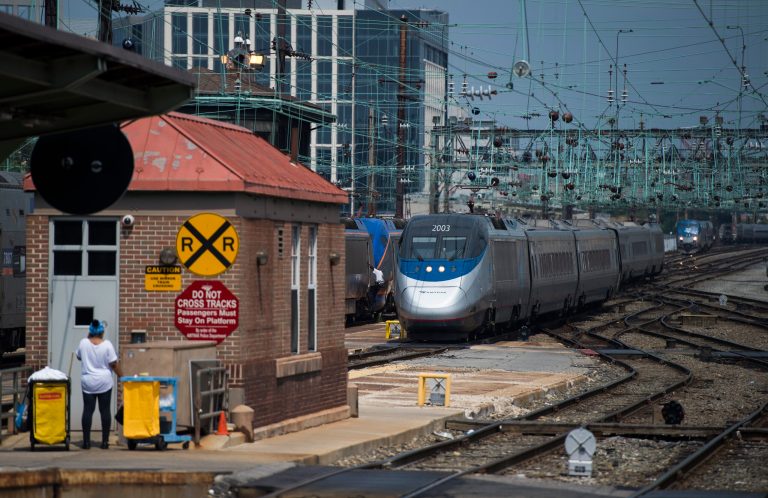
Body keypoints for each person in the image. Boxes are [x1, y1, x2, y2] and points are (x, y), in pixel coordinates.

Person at [76, 319, 122, 449]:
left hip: (88, 382)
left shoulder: (83, 343)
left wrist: (87, 338)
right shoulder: (107, 345)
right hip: (104, 382)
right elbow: (113, 364)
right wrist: (122, 376)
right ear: (102, 332)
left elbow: (79, 357)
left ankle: (86, 442)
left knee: (88, 410)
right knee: (104, 410)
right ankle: (105, 442)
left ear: (90, 331)